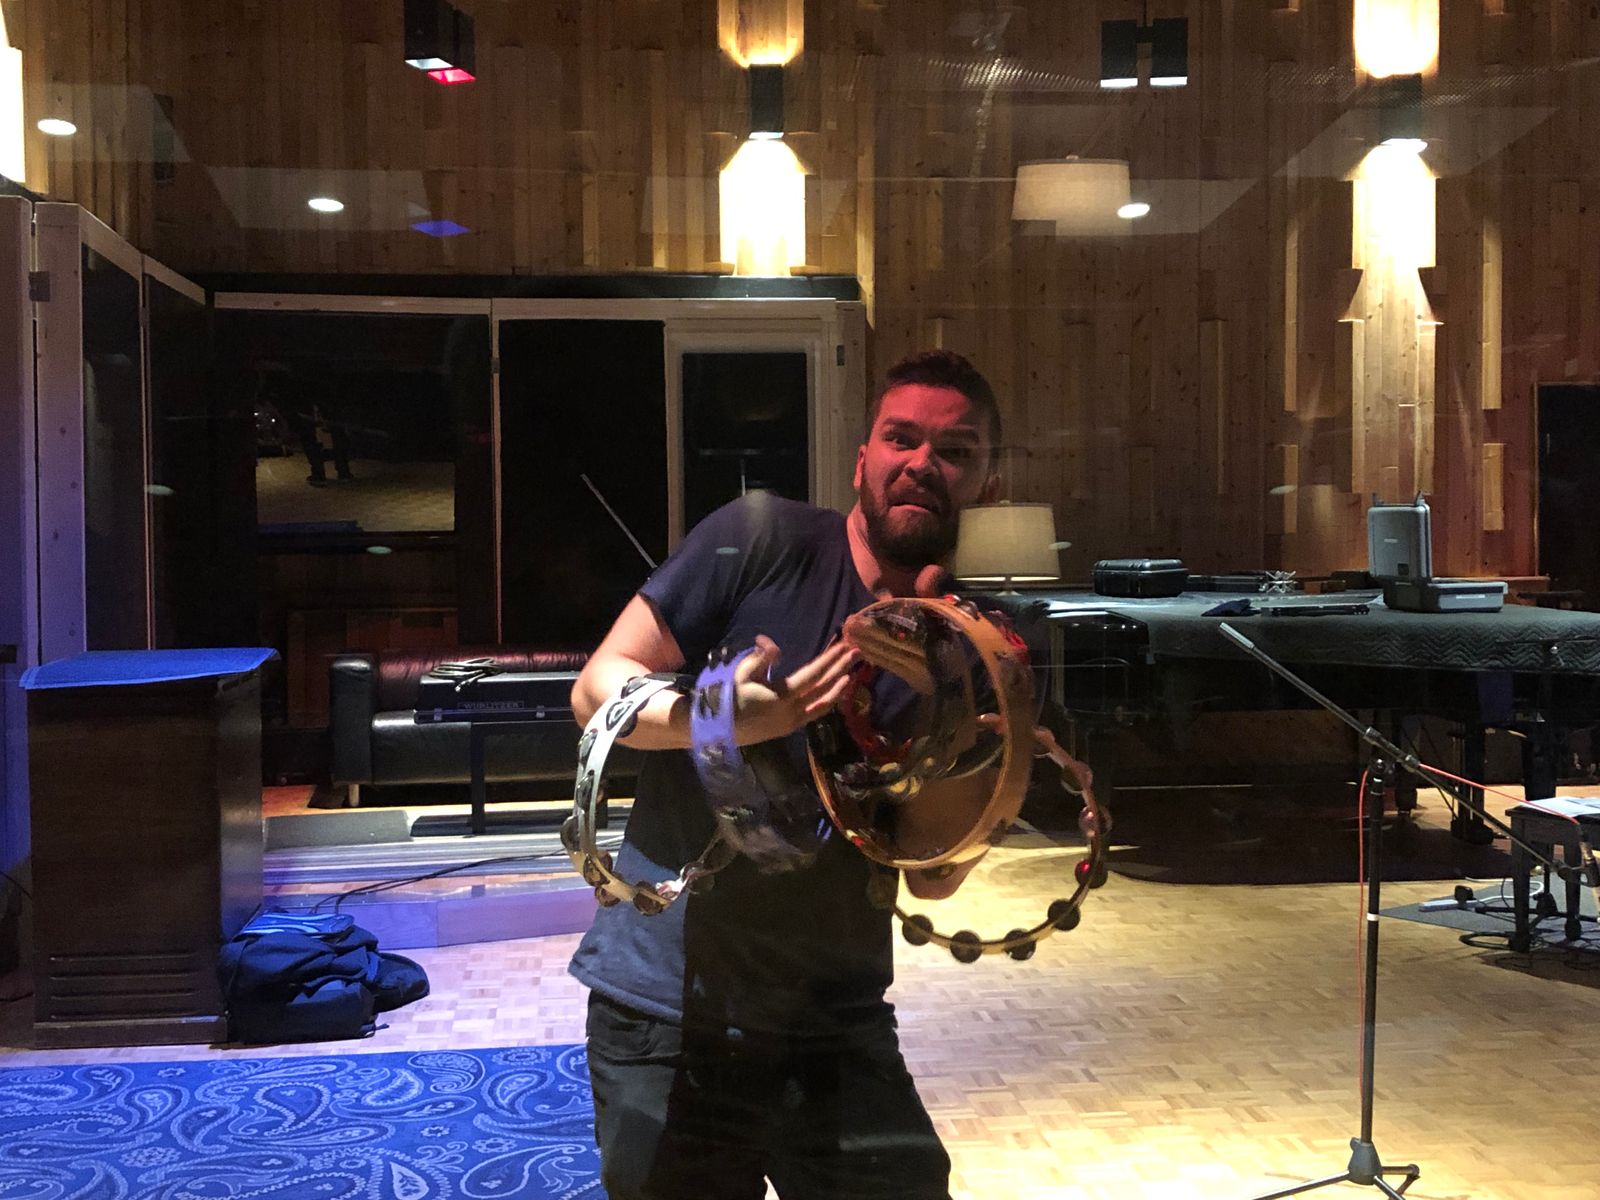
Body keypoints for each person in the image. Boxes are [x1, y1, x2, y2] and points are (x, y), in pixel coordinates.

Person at [568, 349, 1005, 1200]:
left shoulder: (972, 645)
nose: (923, 463)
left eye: (954, 450)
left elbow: (936, 874)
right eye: (901, 438)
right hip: (670, 1006)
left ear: (987, 481)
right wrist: (732, 717)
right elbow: (597, 689)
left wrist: (952, 717)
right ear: (863, 459)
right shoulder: (761, 539)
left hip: (835, 1013)